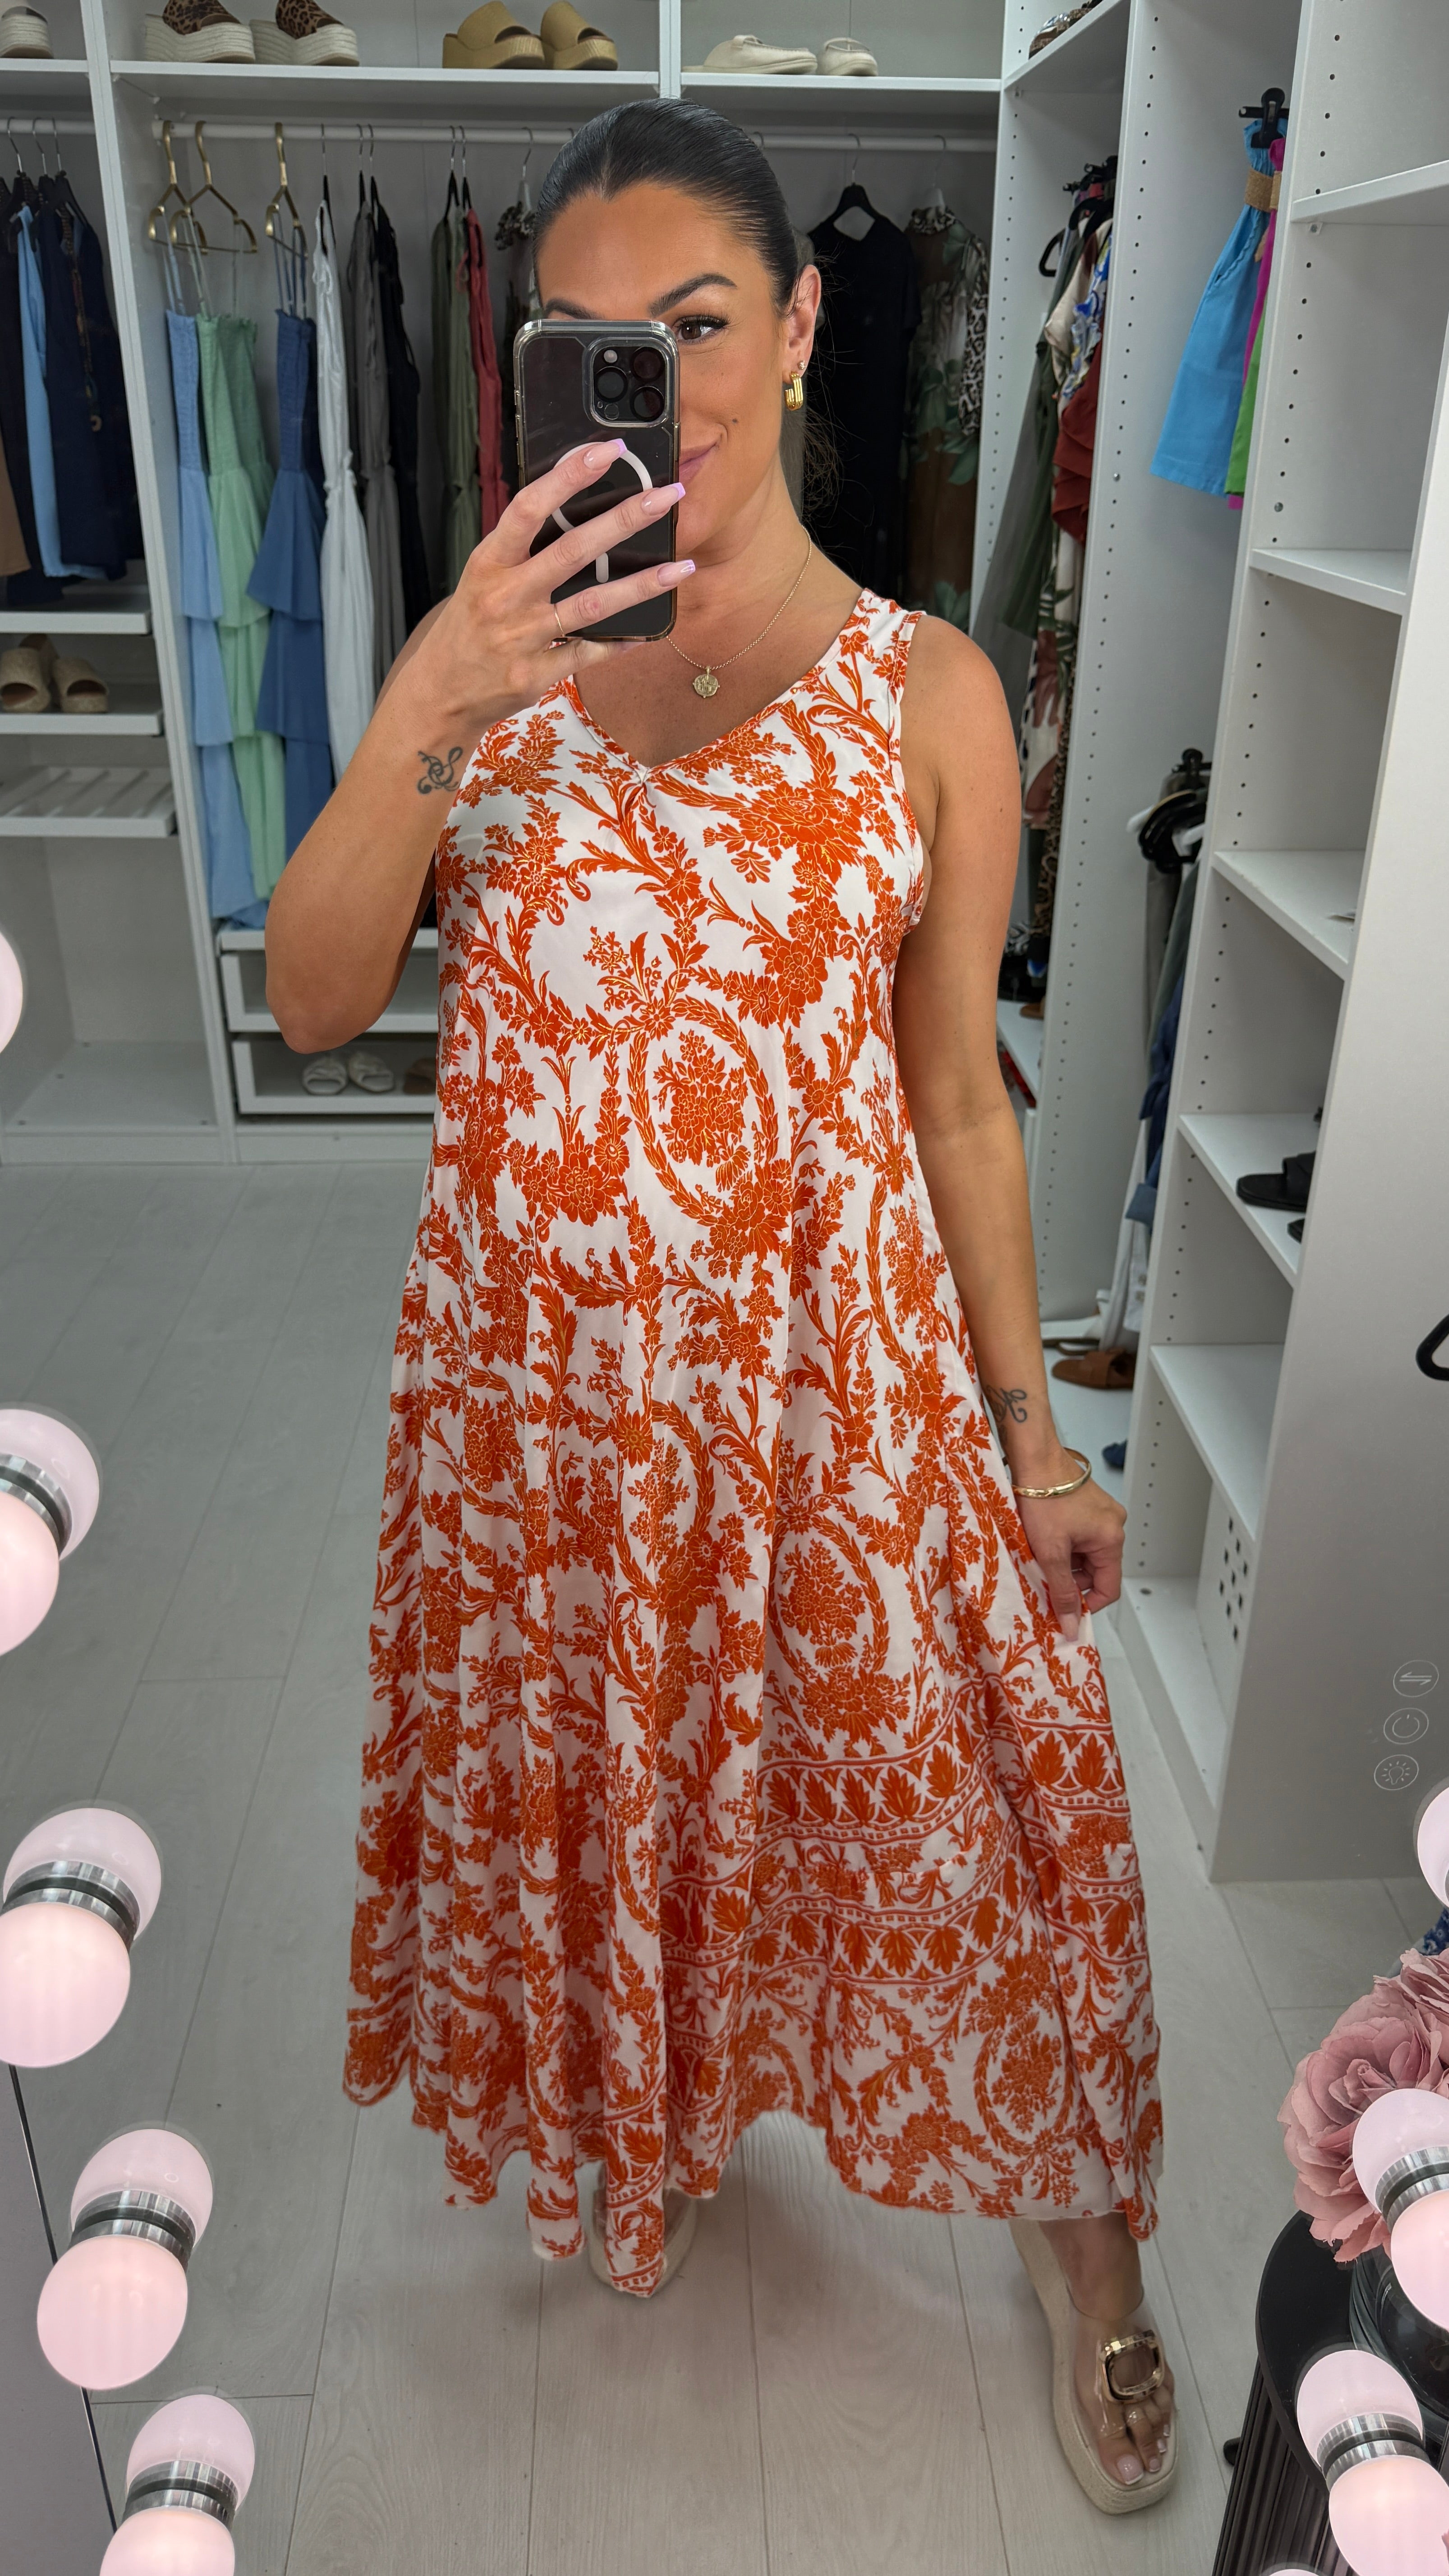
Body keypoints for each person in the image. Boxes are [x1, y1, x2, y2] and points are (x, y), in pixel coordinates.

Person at [266, 99, 1175, 2513]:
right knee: (634, 1802)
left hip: (830, 1396)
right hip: (543, 1423)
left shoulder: (926, 691)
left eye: (696, 325)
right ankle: (654, 2115)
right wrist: (432, 696)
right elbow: (320, 1001)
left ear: (794, 328)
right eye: (590, 343)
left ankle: (1087, 2245)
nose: (653, 386)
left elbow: (959, 1096)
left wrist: (1032, 1430)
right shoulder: (483, 670)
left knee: (979, 1799)